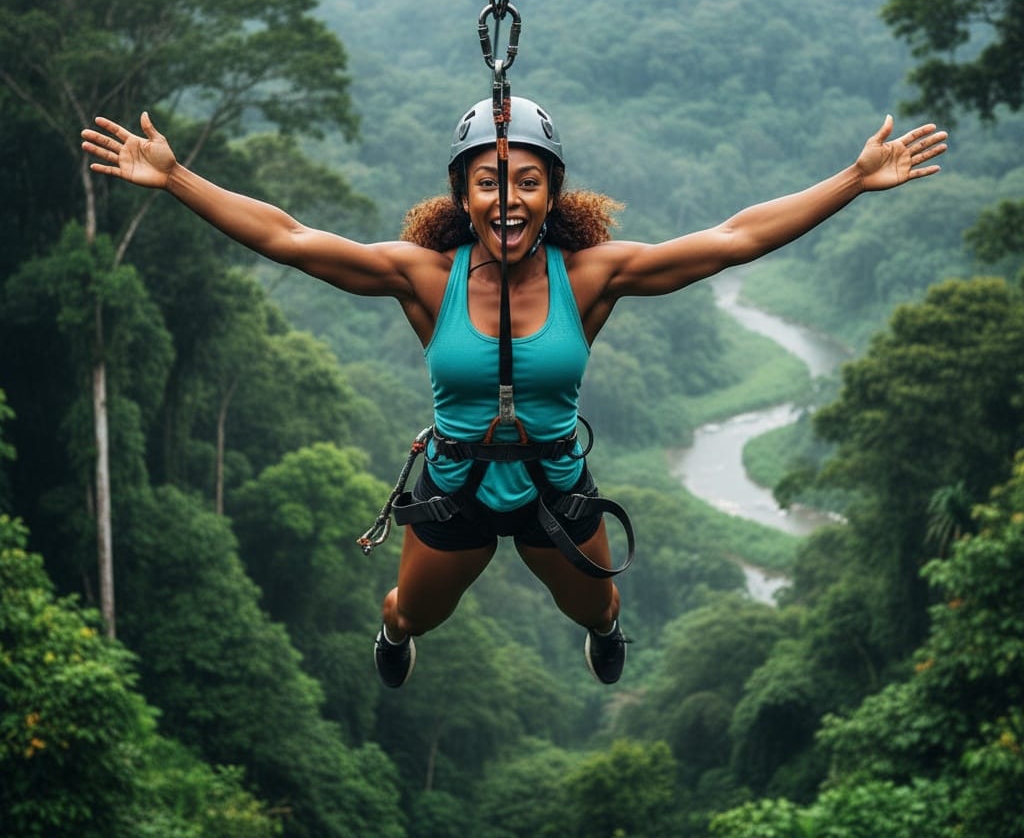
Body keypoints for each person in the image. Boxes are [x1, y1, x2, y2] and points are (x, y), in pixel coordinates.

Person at [82, 97, 946, 687]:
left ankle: (603, 632)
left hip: (554, 490)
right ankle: (393, 633)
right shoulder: (425, 277)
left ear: (553, 193)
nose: (508, 197)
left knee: (601, 605)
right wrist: (178, 178)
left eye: (527, 180)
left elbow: (730, 241)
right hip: (456, 488)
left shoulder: (593, 276)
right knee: (412, 612)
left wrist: (851, 181)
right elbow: (292, 239)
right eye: (490, 180)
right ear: (462, 192)